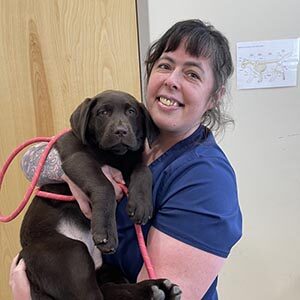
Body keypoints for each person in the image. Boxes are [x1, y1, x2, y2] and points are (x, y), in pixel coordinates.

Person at [10, 19, 242, 299]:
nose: (172, 80)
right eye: (165, 65)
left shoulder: (206, 180)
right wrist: (69, 170)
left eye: (192, 74)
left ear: (214, 96)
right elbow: (31, 160)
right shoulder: (134, 141)